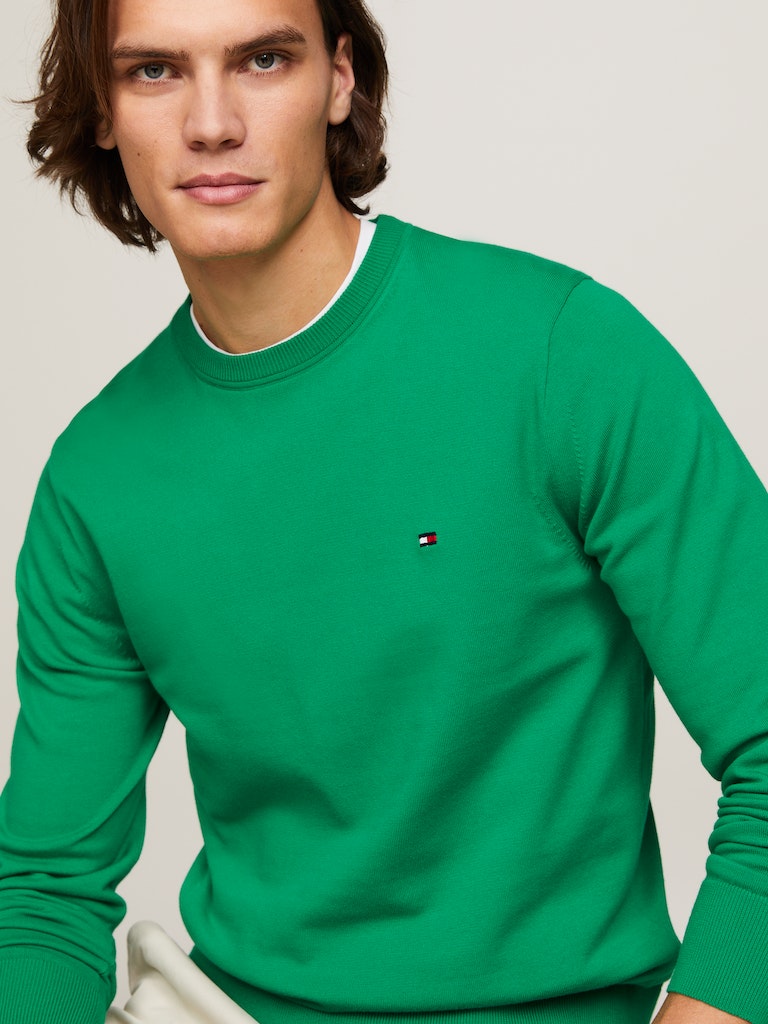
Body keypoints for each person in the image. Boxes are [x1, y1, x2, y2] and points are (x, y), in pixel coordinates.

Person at [0, 0, 766, 1022]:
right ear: (102, 109)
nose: (212, 123)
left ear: (340, 78)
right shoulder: (97, 477)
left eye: (262, 60)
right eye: (154, 72)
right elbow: (46, 891)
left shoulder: (560, 355)